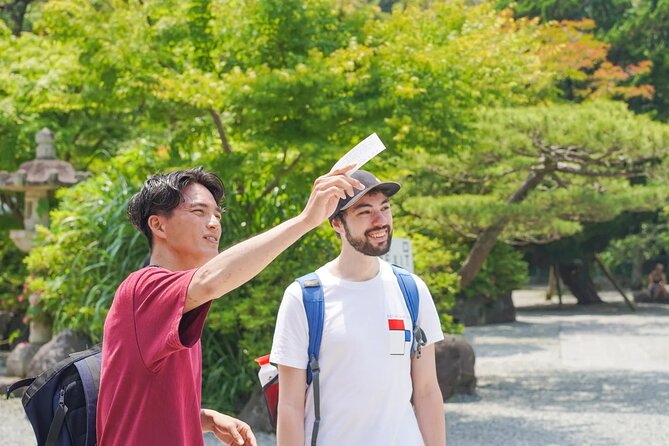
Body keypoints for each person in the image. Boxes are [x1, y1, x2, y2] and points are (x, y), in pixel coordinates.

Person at [97, 165, 362, 446]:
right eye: (199, 212)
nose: (214, 223)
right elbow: (212, 279)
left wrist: (203, 418)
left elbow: (141, 403)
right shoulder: (145, 288)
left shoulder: (175, 304)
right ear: (158, 225)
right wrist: (305, 220)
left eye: (216, 215)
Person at [270, 170, 446, 446]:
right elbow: (290, 405)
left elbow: (426, 391)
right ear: (337, 223)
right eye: (365, 212)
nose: (380, 220)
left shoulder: (411, 289)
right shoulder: (304, 298)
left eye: (385, 208)